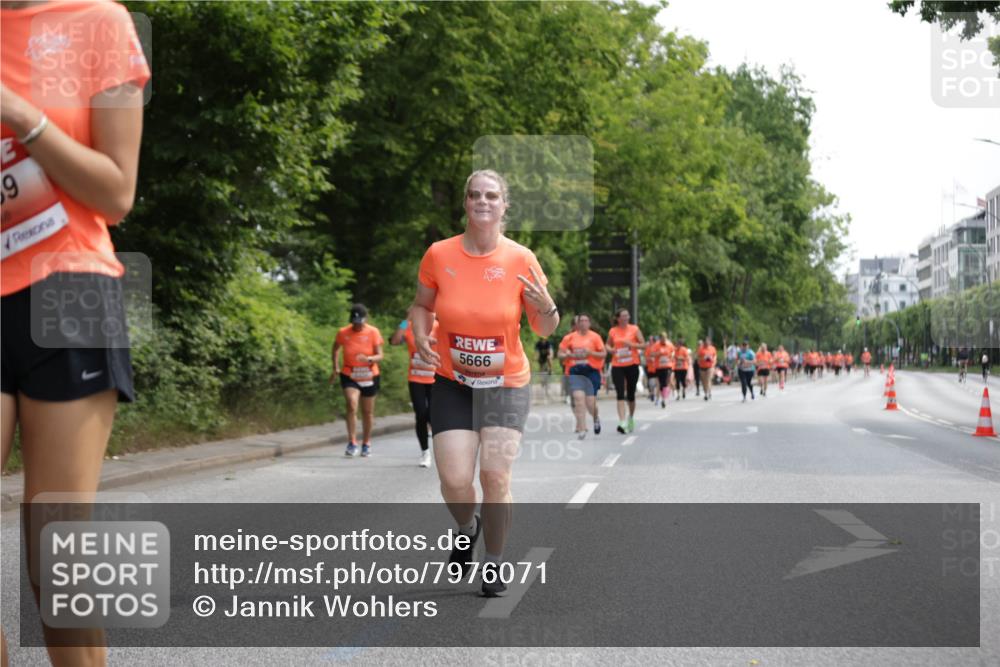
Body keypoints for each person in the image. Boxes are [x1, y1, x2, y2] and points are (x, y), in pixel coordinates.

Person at [1, 2, 149, 664]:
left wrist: (18, 114)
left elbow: (116, 192)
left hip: (70, 289)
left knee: (56, 560)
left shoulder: (100, 20)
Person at [410, 169, 559, 598]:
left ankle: (493, 564)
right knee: (455, 480)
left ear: (504, 205)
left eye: (491, 195)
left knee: (495, 476)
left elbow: (546, 328)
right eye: (474, 194)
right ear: (465, 203)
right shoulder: (439, 254)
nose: (483, 201)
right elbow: (422, 304)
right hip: (452, 383)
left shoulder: (521, 259)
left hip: (505, 384)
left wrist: (548, 306)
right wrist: (421, 334)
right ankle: (466, 526)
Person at [331, 304, 384, 458]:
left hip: (370, 375)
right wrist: (335, 367)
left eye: (360, 322)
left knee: (367, 412)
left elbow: (380, 355)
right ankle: (352, 442)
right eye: (354, 322)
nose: (357, 325)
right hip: (350, 374)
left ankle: (366, 443)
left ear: (365, 319)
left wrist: (368, 358)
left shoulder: (373, 332)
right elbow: (335, 349)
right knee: (351, 404)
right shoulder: (343, 332)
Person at [390, 310, 439, 468]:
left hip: (435, 380)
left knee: (434, 415)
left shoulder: (439, 327)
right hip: (416, 379)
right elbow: (395, 340)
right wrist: (406, 319)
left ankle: (443, 451)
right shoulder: (410, 327)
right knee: (421, 414)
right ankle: (425, 453)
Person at [558, 313, 605, 438]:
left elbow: (603, 354)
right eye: (581, 321)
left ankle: (595, 418)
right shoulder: (570, 338)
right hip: (576, 371)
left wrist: (590, 353)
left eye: (586, 320)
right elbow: (560, 354)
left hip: (591, 371)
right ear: (577, 324)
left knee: (591, 403)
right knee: (578, 399)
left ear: (589, 323)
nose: (583, 323)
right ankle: (582, 428)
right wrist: (567, 355)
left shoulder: (595, 337)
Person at [606, 308, 645, 433]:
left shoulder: (634, 329)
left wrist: (632, 345)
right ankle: (622, 422)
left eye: (627, 315)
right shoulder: (613, 331)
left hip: (632, 364)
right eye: (623, 316)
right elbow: (607, 345)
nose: (626, 317)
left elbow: (643, 345)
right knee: (620, 393)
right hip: (617, 364)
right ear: (618, 318)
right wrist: (610, 349)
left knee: (631, 395)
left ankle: (630, 417)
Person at [656, 332, 675, 407]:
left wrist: (672, 355)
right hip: (659, 367)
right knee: (661, 383)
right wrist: (658, 353)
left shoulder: (669, 344)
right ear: (660, 338)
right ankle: (663, 397)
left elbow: (673, 352)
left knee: (666, 382)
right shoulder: (656, 345)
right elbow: (651, 354)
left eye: (665, 338)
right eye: (662, 338)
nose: (663, 339)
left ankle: (664, 399)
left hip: (668, 366)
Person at [697, 337, 717, 401]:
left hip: (710, 366)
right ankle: (706, 392)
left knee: (708, 380)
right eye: (705, 342)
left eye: (708, 342)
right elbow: (698, 358)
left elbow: (715, 356)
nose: (706, 343)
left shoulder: (712, 348)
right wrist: (704, 358)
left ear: (710, 342)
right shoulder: (701, 349)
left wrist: (713, 360)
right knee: (703, 381)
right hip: (702, 367)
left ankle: (708, 393)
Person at [645, 335, 660, 405]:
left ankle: (657, 398)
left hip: (658, 368)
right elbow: (646, 358)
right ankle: (652, 394)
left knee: (658, 383)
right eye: (649, 340)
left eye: (651, 340)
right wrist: (650, 359)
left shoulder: (658, 347)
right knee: (651, 384)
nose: (650, 341)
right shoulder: (648, 348)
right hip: (650, 368)